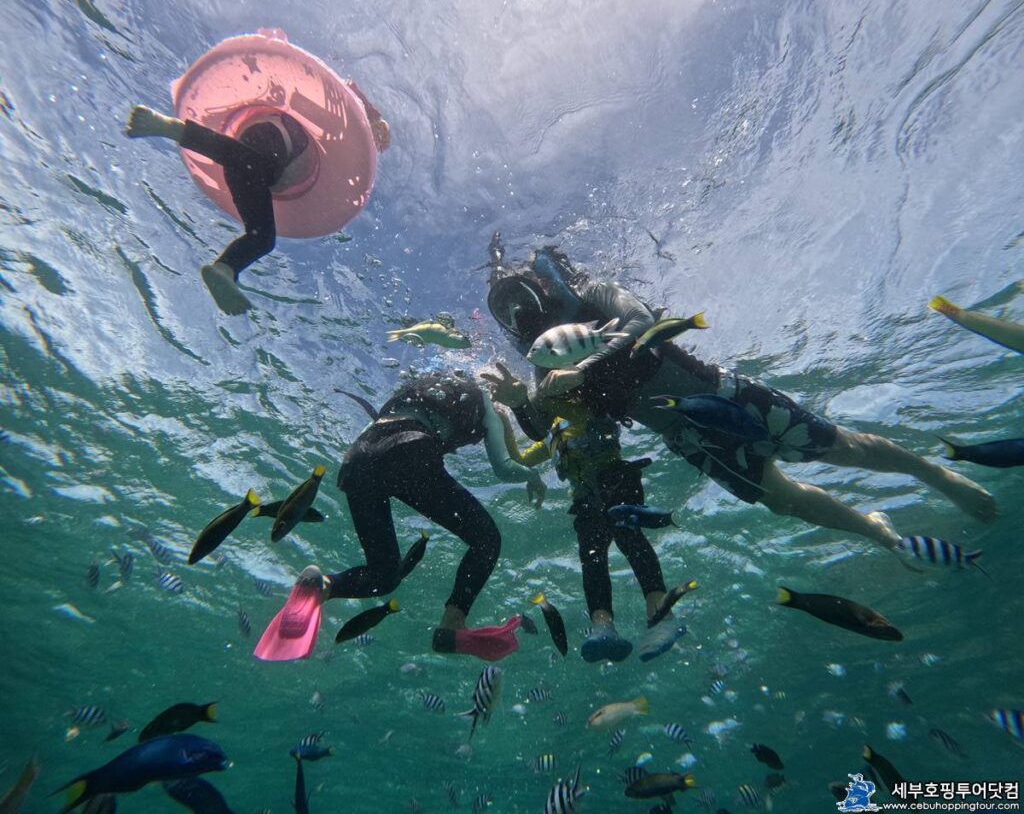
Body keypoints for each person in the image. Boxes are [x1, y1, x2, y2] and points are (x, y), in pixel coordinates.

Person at [482, 239, 997, 552]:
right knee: (783, 503)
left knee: (842, 448)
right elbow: (549, 431)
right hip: (690, 439)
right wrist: (523, 401)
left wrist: (586, 362)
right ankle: (877, 531)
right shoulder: (543, 358)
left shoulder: (592, 295)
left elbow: (641, 319)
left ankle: (935, 473)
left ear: (541, 287)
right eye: (507, 316)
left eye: (521, 301)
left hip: (722, 394)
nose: (520, 317)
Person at [255, 371, 545, 663]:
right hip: (408, 449)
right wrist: (533, 476)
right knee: (486, 539)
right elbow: (503, 468)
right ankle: (452, 624)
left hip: (357, 459)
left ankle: (324, 586)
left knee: (384, 575)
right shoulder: (486, 403)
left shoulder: (420, 388)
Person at [125, 100, 388, 315]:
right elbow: (344, 94)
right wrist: (372, 117)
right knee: (246, 157)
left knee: (263, 239)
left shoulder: (300, 169)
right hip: (270, 139)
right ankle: (172, 128)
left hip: (252, 175)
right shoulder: (315, 127)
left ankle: (225, 268)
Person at [503, 398, 686, 663]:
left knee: (630, 539)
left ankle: (662, 617)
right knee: (592, 559)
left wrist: (528, 398)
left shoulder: (581, 405)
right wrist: (505, 422)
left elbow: (586, 411)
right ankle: (603, 627)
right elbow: (520, 459)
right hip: (584, 498)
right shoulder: (551, 435)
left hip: (616, 478)